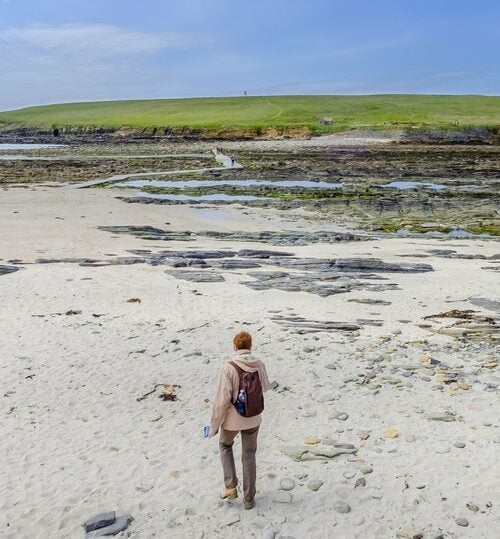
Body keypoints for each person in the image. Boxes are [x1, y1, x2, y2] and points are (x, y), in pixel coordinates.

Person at [209, 331, 271, 510]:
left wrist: (214, 427)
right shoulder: (259, 364)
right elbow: (266, 388)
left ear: (235, 347)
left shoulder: (228, 368)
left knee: (225, 445)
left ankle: (230, 486)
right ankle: (249, 499)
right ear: (250, 346)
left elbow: (221, 401)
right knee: (249, 455)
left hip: (233, 421)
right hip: (253, 418)